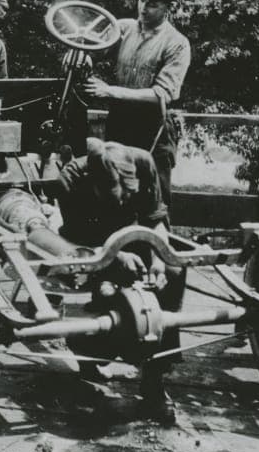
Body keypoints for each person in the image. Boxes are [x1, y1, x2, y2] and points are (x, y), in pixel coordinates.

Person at [54, 137, 186, 425]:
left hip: (135, 235)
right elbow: (78, 238)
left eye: (130, 194)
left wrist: (159, 259)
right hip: (92, 247)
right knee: (110, 298)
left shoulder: (143, 161)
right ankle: (87, 351)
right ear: (96, 187)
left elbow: (156, 219)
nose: (125, 200)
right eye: (118, 197)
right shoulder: (70, 181)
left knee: (174, 272)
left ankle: (154, 380)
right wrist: (116, 256)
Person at [79, 0, 190, 210]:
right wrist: (84, 56)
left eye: (152, 4)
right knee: (114, 196)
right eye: (141, 0)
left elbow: (161, 94)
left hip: (153, 130)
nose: (143, 8)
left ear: (170, 6)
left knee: (154, 204)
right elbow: (91, 50)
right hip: (119, 125)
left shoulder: (177, 44)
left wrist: (110, 91)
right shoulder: (123, 29)